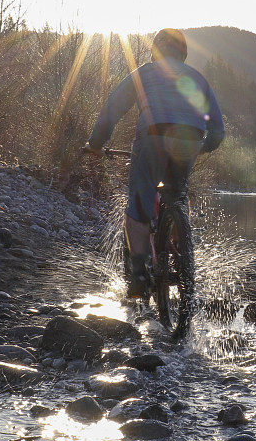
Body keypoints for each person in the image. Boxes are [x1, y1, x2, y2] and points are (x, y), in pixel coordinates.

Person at [82, 28, 225, 298]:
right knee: (178, 195)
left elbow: (111, 112)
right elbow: (218, 131)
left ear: (155, 51)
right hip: (190, 141)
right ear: (183, 53)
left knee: (139, 202)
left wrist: (96, 145)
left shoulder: (143, 73)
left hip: (152, 137)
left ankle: (138, 276)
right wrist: (201, 148)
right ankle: (182, 254)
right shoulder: (198, 78)